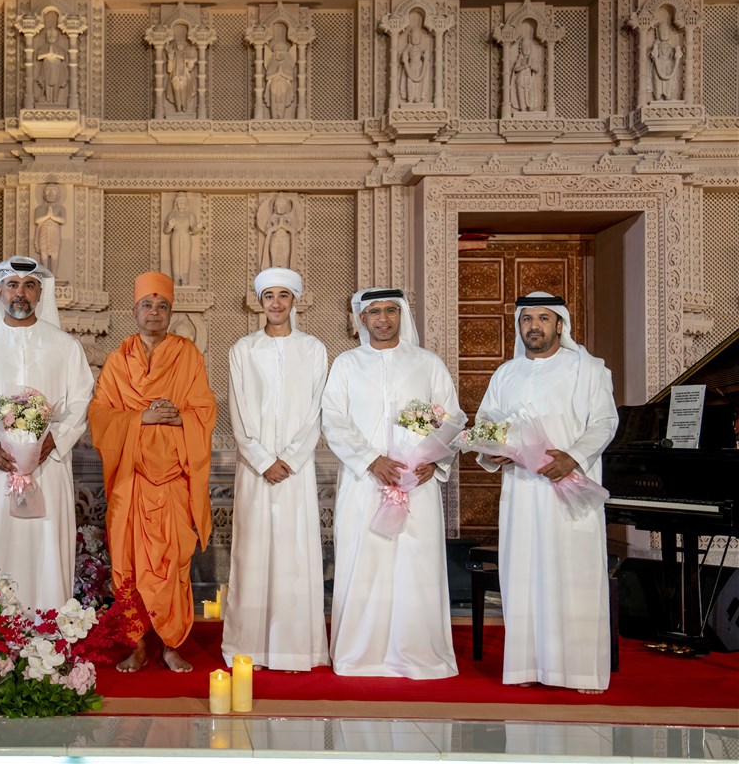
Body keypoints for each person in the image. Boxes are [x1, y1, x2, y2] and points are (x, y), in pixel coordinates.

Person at [475, 292, 618, 694]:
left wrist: (573, 457)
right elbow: (486, 423)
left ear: (560, 324)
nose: (534, 326)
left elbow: (605, 422)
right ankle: (527, 665)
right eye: (527, 319)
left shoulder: (588, 369)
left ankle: (582, 672)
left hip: (569, 489)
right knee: (523, 574)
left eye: (543, 318)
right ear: (518, 326)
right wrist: (491, 451)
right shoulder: (506, 374)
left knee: (576, 574)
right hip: (522, 492)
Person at [321, 287, 459, 679]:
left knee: (415, 566)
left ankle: (418, 654)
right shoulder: (347, 364)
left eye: (391, 310)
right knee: (364, 563)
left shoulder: (428, 364)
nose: (383, 319)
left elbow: (451, 419)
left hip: (417, 485)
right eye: (375, 312)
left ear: (402, 315)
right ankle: (360, 655)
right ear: (362, 319)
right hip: (364, 482)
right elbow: (333, 420)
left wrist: (434, 460)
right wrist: (371, 459)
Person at [0, 256, 93, 610]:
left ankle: (49, 630)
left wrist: (54, 439)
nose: (20, 293)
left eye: (29, 286)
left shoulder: (66, 347)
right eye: (12, 285)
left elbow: (81, 399)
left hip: (48, 468)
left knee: (46, 550)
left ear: (41, 293)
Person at [88, 272, 217, 673]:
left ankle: (172, 644)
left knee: (173, 563)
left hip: (173, 479)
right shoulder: (118, 360)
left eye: (162, 306)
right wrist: (141, 417)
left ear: (171, 312)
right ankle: (137, 644)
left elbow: (204, 410)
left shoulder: (187, 355)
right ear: (135, 310)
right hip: (131, 480)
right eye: (147, 305)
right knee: (127, 564)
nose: (155, 312)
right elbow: (99, 414)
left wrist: (178, 418)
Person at [222, 267, 329, 672]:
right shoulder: (243, 350)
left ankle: (294, 649)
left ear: (294, 300)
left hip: (296, 472)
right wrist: (264, 460)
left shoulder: (313, 349)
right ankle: (249, 647)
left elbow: (317, 409)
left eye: (284, 295)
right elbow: (238, 411)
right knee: (252, 554)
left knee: (295, 555)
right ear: (260, 302)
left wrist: (292, 457)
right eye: (269, 296)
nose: (277, 303)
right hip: (256, 470)